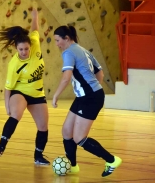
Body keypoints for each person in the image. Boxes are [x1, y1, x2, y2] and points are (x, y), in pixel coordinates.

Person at [52, 25, 122, 177]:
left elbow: (66, 77)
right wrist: (93, 88)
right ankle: (73, 166)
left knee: (79, 137)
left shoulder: (69, 52)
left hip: (90, 98)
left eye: (58, 40)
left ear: (66, 38)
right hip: (87, 96)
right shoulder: (83, 50)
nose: (57, 44)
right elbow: (100, 74)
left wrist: (56, 95)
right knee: (66, 131)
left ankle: (111, 160)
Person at [0, 9, 50, 165]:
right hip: (20, 92)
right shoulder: (14, 64)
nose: (24, 52)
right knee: (16, 114)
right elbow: (8, 88)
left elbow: (35, 29)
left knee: (43, 126)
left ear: (30, 46)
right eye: (21, 49)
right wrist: (7, 106)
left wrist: (35, 17)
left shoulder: (35, 44)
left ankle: (38, 156)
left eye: (26, 49)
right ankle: (0, 146)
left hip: (37, 94)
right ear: (16, 49)